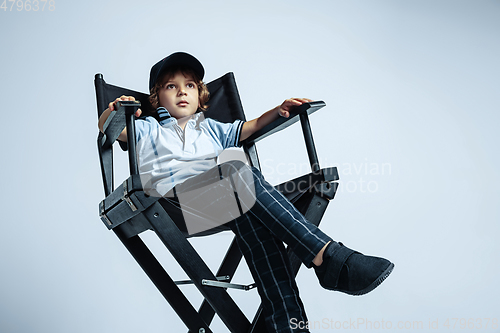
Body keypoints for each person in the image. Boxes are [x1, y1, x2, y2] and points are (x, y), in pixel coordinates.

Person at [98, 52, 394, 333]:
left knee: (250, 212)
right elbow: (108, 129)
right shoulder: (147, 129)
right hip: (174, 207)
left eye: (189, 85)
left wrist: (278, 111)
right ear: (156, 97)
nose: (181, 91)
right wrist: (115, 110)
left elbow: (250, 127)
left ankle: (287, 323)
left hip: (223, 199)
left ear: (200, 94)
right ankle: (328, 257)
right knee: (236, 170)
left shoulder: (211, 129)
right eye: (171, 86)